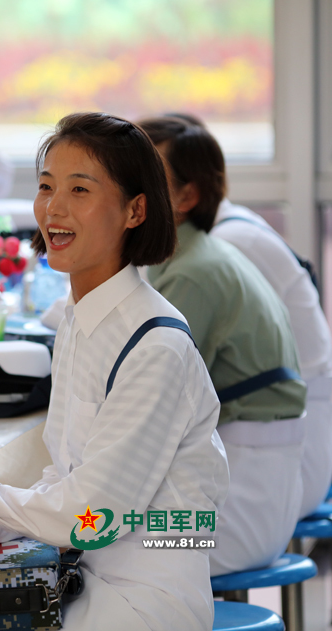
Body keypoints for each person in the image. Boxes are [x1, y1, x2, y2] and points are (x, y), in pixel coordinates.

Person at [0, 113, 229, 631]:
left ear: (136, 210)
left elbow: (91, 515)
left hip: (139, 602)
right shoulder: (77, 318)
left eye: (79, 189)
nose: (55, 208)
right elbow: (63, 475)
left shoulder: (156, 345)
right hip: (74, 575)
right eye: (46, 187)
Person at [138, 116, 307, 576]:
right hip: (248, 487)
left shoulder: (195, 273)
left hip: (240, 512)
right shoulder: (189, 258)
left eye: (141, 176)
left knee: (99, 552)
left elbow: (152, 405)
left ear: (186, 197)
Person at [159, 113, 332, 520]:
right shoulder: (217, 236)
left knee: (103, 548)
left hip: (284, 453)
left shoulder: (213, 253)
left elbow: (162, 389)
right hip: (270, 442)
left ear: (189, 193)